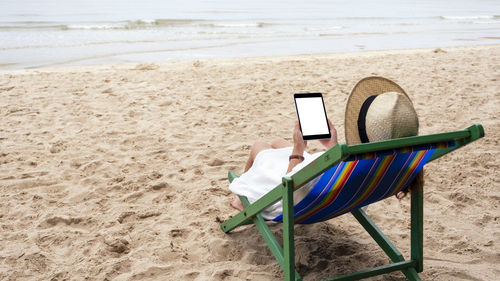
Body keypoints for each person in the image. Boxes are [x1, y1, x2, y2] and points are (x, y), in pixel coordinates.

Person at [229, 77, 422, 220]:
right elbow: (345, 183)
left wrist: (298, 149)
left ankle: (244, 199)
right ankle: (245, 193)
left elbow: (289, 190)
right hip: (324, 185)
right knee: (278, 142)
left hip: (297, 192)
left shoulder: (358, 163)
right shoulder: (399, 164)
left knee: (259, 146)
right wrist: (331, 147)